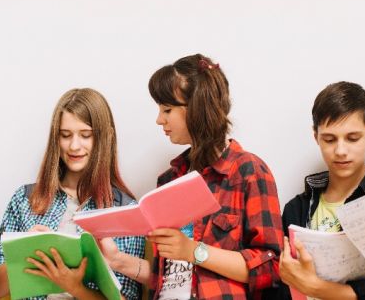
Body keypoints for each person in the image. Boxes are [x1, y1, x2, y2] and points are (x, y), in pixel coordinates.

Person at [104, 54, 283, 299]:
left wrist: (194, 251)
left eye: (167, 109)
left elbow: (271, 268)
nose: (159, 120)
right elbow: (167, 278)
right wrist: (116, 260)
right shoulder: (169, 180)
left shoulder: (248, 171)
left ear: (198, 107)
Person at [0, 88, 144, 300]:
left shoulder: (125, 211)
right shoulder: (25, 199)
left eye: (86, 135)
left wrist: (75, 287)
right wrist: (25, 253)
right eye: (65, 135)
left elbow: (126, 297)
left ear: (106, 137)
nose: (74, 146)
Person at [270, 81, 365, 300]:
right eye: (329, 139)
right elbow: (283, 285)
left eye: (352, 138)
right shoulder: (296, 209)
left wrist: (316, 287)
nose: (340, 151)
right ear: (316, 136)